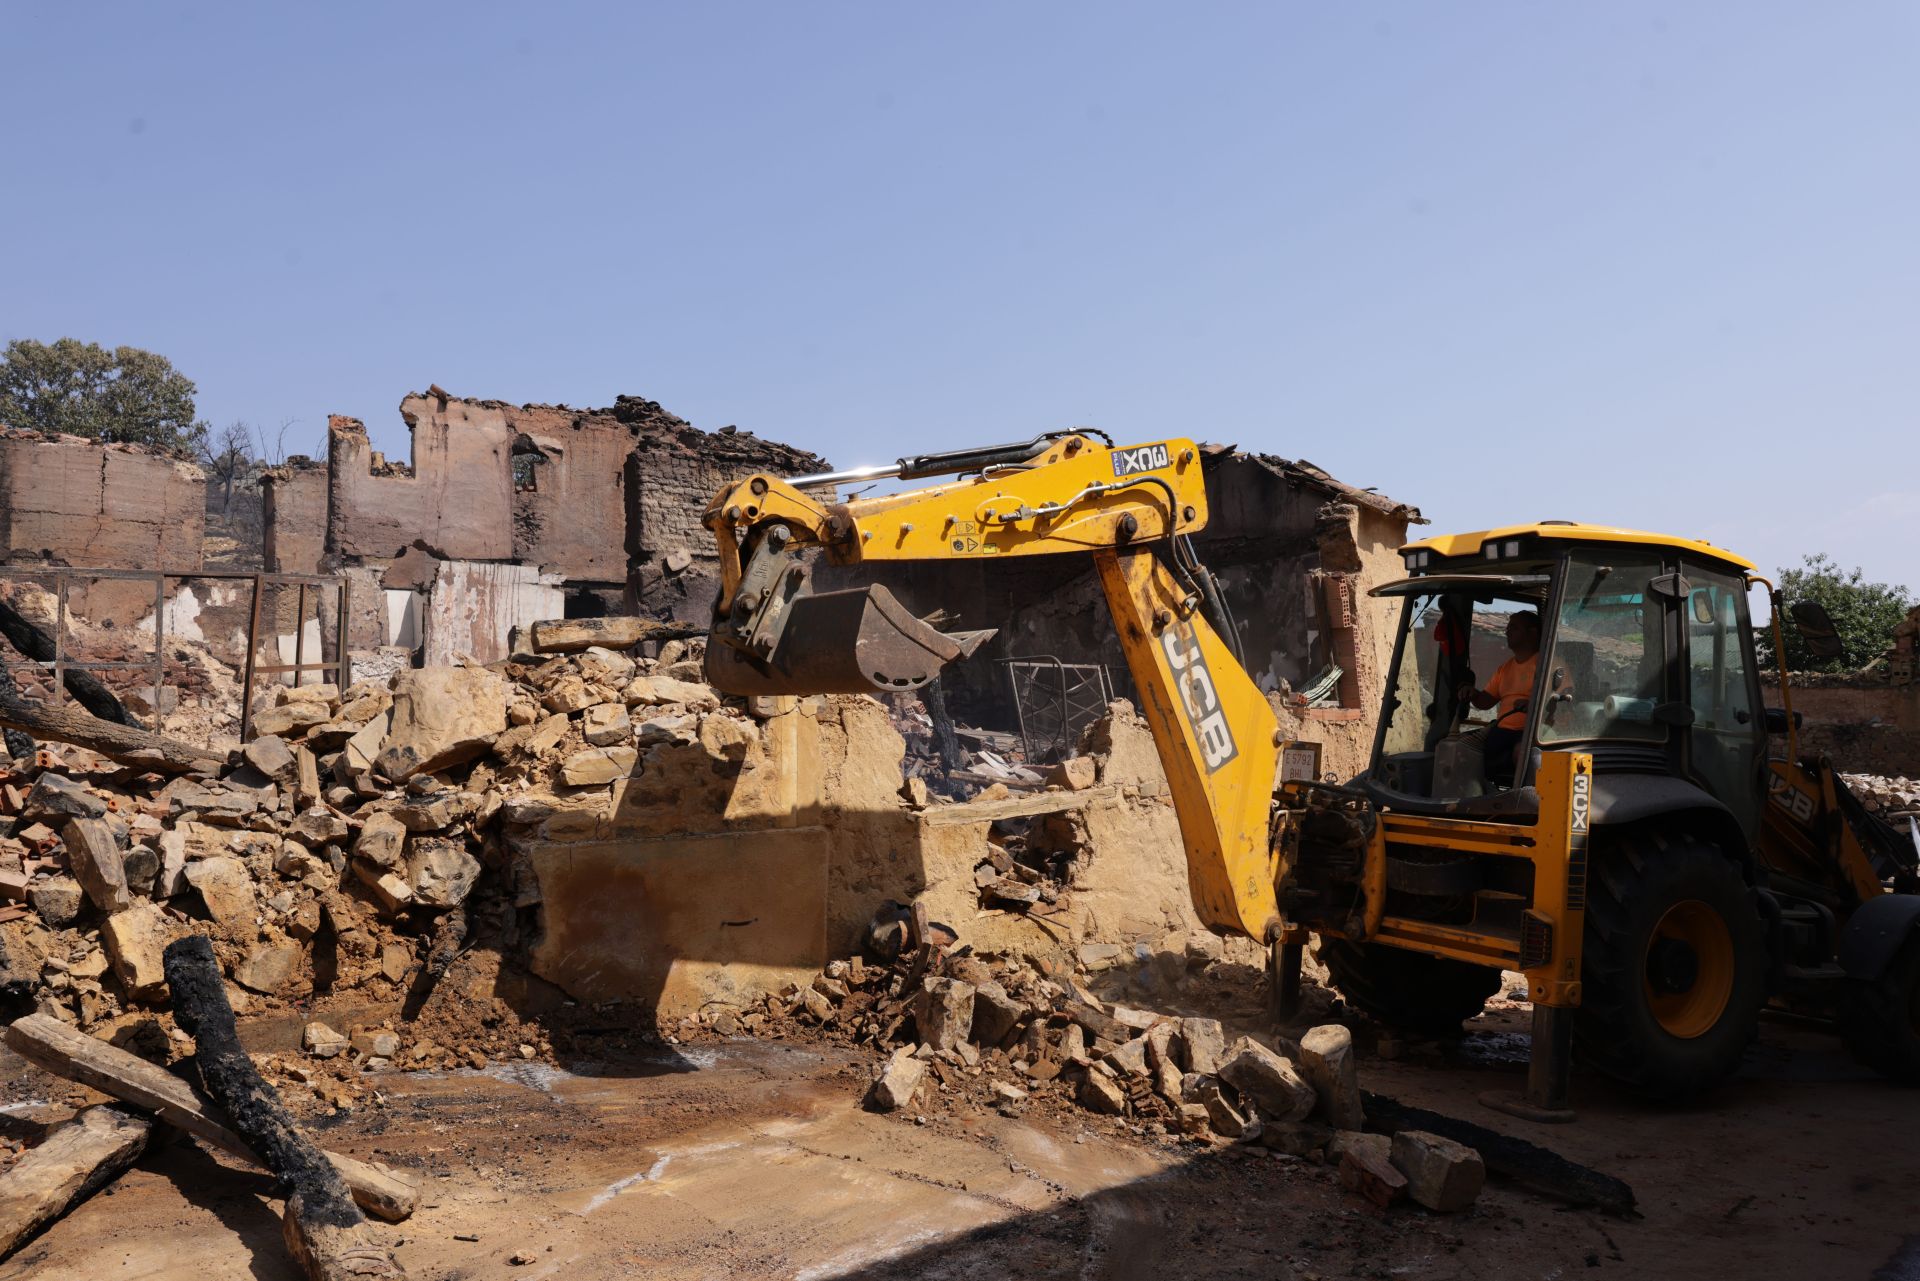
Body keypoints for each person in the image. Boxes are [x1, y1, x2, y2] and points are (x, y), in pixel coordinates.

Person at [1458, 610, 1541, 786]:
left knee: (1522, 752)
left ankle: (1527, 798)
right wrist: (1473, 693)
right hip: (1502, 732)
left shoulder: (1547, 664)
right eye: (1508, 627)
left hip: (1534, 733)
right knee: (1459, 747)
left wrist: (1534, 705)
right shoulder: (1505, 668)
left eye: (1514, 627)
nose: (1507, 631)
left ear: (1532, 632)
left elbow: (1564, 703)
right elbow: (1485, 702)